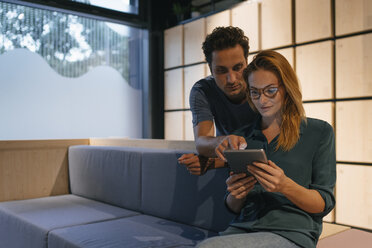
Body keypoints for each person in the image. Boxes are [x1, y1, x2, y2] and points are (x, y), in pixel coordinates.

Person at [195, 50, 336, 248]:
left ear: (286, 88)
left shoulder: (319, 132)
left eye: (270, 90)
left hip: (292, 233)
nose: (261, 100)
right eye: (255, 92)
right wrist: (236, 194)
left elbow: (324, 203)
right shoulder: (242, 137)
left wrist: (285, 185)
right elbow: (232, 207)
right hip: (241, 229)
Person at [178, 26, 258, 174]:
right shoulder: (203, 91)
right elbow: (202, 142)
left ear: (247, 62)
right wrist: (222, 141)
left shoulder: (260, 83)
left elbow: (275, 143)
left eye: (238, 68)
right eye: (221, 71)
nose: (231, 79)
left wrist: (215, 162)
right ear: (210, 68)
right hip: (233, 169)